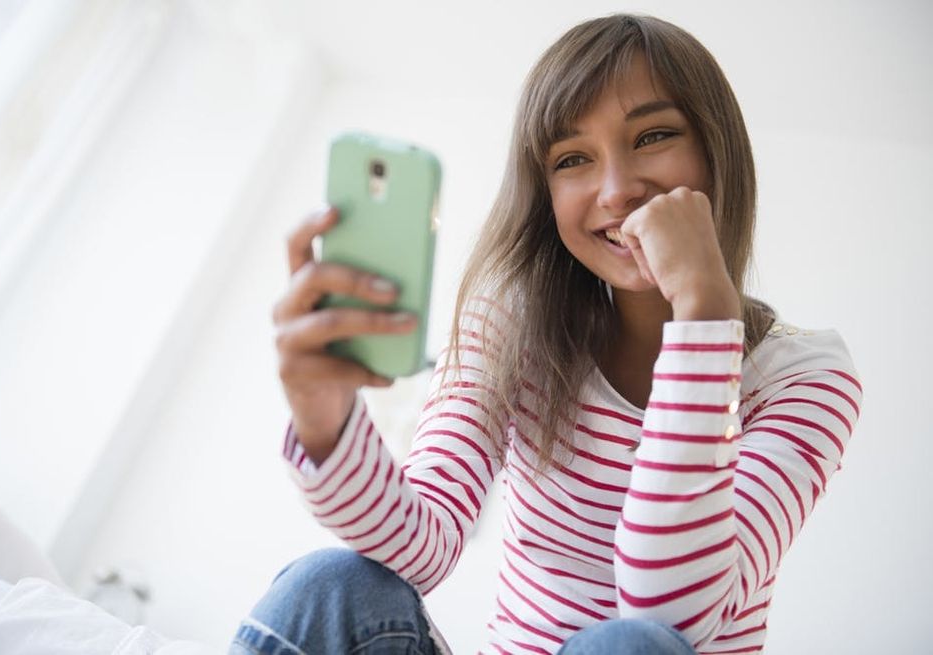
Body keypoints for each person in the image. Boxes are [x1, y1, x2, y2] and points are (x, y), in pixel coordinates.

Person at [234, 14, 862, 655]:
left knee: (629, 648)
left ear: (716, 151)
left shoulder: (806, 377)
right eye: (573, 159)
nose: (616, 191)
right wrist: (325, 419)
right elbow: (420, 548)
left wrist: (703, 312)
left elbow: (673, 615)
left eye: (652, 136)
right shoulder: (513, 325)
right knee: (333, 583)